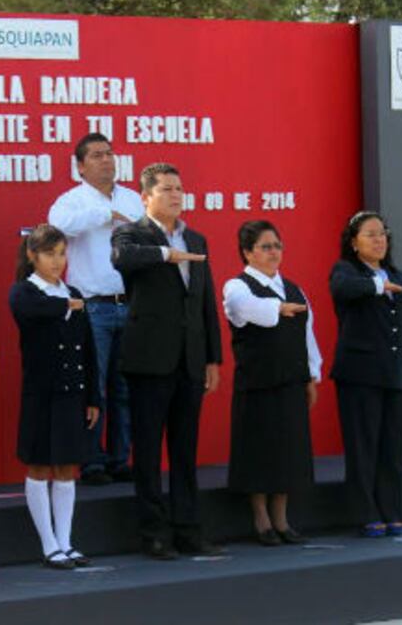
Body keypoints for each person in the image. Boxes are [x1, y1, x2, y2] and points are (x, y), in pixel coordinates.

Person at [110, 162, 223, 559]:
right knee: (147, 452)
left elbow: (205, 299)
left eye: (179, 188)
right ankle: (153, 533)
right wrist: (165, 253)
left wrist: (213, 357)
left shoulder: (197, 238)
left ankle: (189, 530)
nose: (176, 194)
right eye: (167, 189)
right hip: (149, 360)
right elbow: (122, 259)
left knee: (185, 451)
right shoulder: (132, 233)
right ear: (146, 197)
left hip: (190, 360)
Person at [48, 132, 144, 486]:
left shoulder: (134, 199)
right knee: (93, 388)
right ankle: (91, 461)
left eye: (110, 153)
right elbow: (56, 226)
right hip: (93, 308)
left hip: (130, 304)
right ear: (80, 166)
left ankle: (120, 458)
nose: (106, 160)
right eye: (97, 155)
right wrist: (105, 214)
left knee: (124, 388)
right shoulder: (70, 201)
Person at [223, 220, 321, 546]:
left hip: (292, 381)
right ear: (248, 252)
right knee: (259, 451)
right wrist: (278, 308)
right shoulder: (237, 286)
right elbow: (244, 310)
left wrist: (311, 375)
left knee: (288, 451)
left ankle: (282, 517)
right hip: (259, 383)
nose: (273, 252)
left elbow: (308, 336)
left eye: (277, 245)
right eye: (265, 247)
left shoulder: (294, 287)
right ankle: (261, 517)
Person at [8, 224, 101, 569]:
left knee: (66, 467)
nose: (57, 261)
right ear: (32, 255)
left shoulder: (72, 291)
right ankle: (48, 544)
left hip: (71, 395)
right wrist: (67, 304)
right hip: (41, 395)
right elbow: (33, 310)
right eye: (50, 254)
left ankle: (66, 541)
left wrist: (93, 396)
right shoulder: (24, 292)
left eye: (62, 253)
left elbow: (89, 351)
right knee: (39, 465)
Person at [329, 210, 402, 538]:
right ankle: (366, 511)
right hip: (360, 375)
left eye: (382, 233)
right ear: (354, 242)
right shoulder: (345, 272)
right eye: (370, 234)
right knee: (363, 447)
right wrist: (377, 286)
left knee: (392, 448)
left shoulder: (398, 274)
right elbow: (343, 290)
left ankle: (391, 510)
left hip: (395, 374)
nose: (379, 239)